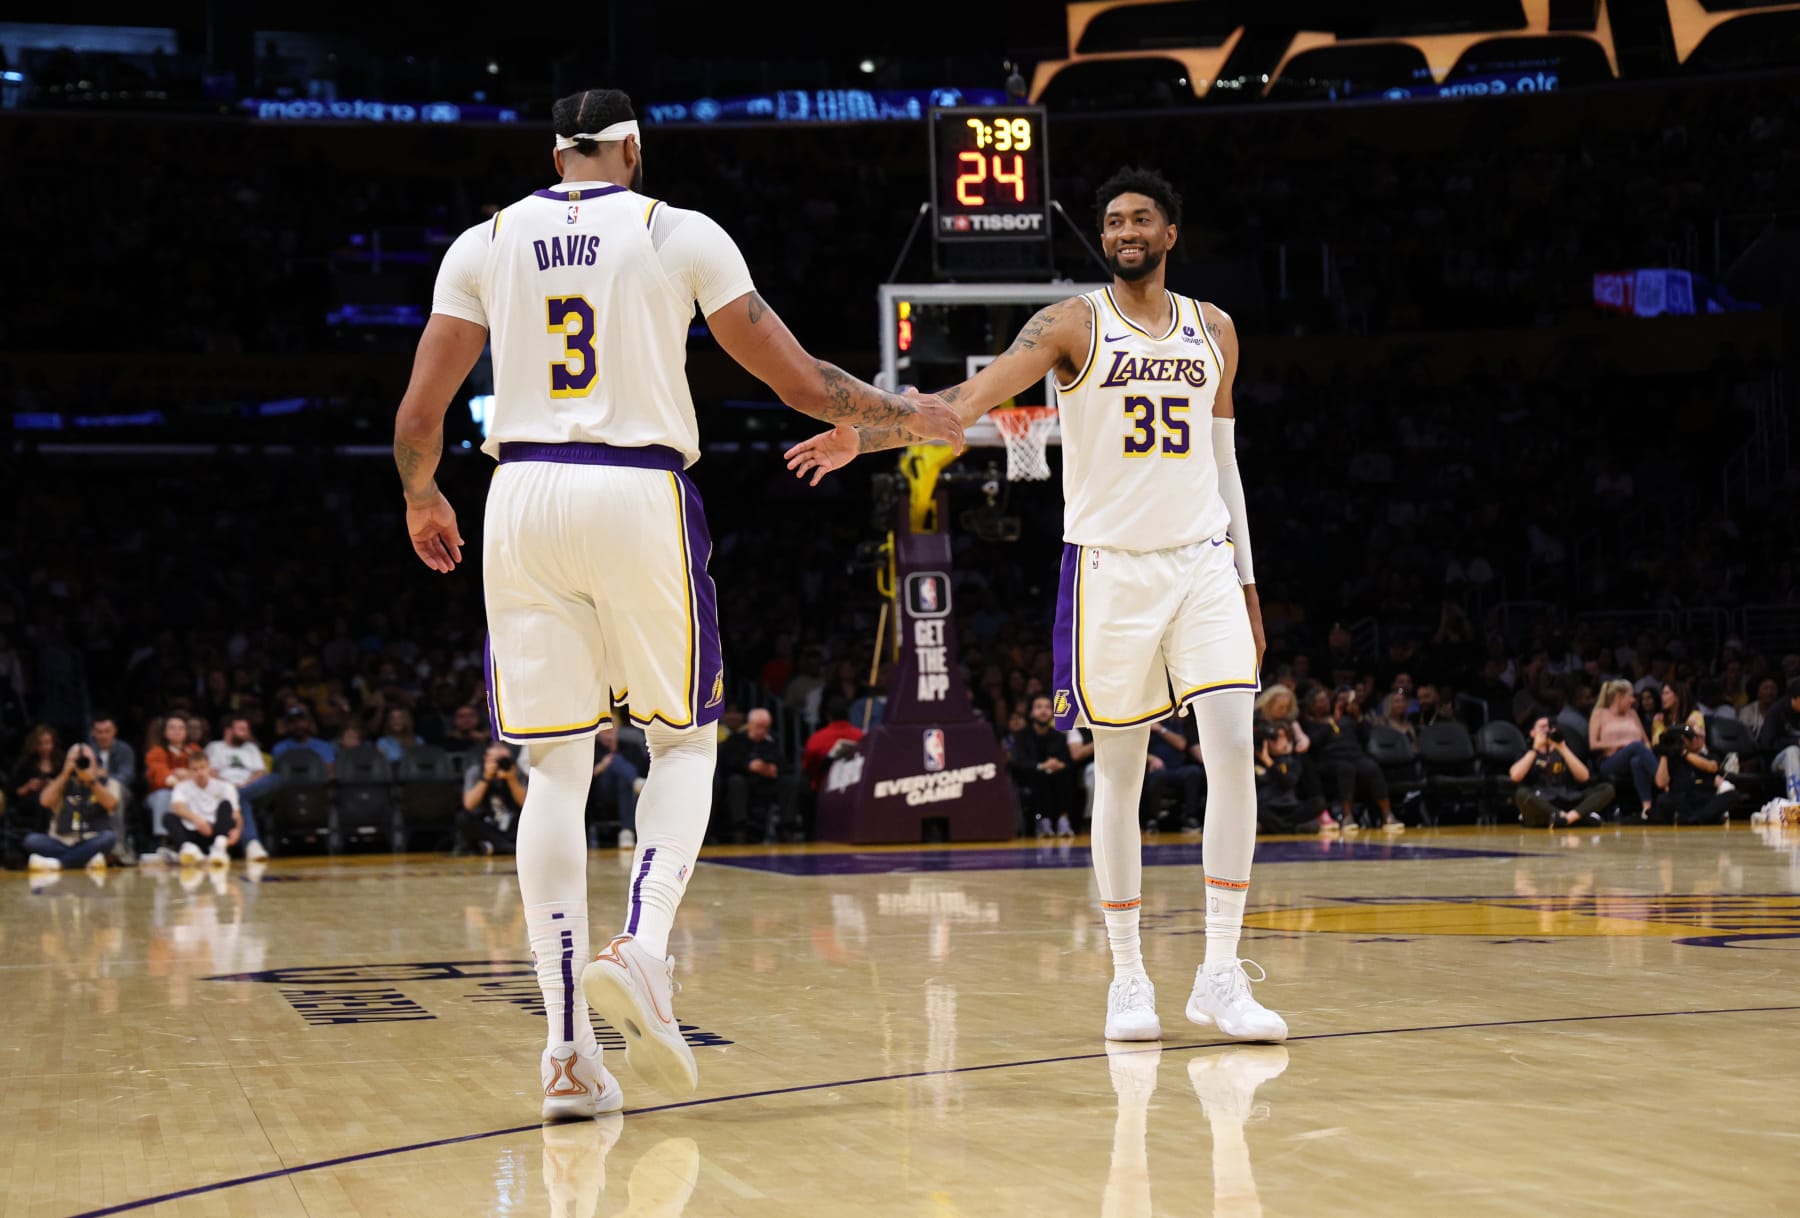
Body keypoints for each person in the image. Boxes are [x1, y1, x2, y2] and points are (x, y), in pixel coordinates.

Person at [391, 86, 964, 1120]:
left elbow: (419, 412)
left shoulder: (481, 242)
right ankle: (644, 947)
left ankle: (567, 1051)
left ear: (554, 152)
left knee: (555, 768)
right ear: (633, 150)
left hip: (516, 494)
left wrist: (422, 492)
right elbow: (798, 383)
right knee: (685, 740)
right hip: (634, 488)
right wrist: (904, 419)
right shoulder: (678, 231)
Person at [786, 166, 1284, 1044]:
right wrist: (865, 436)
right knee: (1120, 772)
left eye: (1141, 219)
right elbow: (965, 404)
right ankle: (1129, 977)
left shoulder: (1217, 330)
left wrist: (1247, 583)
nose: (1126, 230)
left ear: (1171, 233)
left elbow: (1227, 465)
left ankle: (1218, 974)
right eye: (1114, 220)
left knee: (1234, 752)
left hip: (1203, 560)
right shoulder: (1069, 324)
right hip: (1111, 570)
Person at [27, 743, 120, 872]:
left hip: (91, 839)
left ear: (95, 761)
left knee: (109, 838)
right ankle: (84, 859)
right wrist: (65, 773)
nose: (81, 764)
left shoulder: (108, 782)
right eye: (76, 760)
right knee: (32, 840)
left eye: (86, 760)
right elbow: (44, 802)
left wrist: (91, 781)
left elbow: (111, 804)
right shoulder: (61, 782)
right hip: (61, 841)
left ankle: (59, 863)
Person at [1510, 717, 1615, 827]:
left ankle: (1568, 818)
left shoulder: (1563, 750)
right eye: (1542, 727)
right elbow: (1515, 776)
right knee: (1521, 794)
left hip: (1568, 798)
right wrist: (1535, 750)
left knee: (1607, 788)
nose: (1547, 730)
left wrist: (1562, 748)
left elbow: (1584, 777)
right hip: (1543, 801)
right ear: (1532, 733)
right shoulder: (1527, 752)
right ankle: (1577, 819)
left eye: (1550, 727)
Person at [1007, 693, 1077, 837]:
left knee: (1064, 774)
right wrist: (1041, 766)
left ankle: (1063, 820)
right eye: (1039, 707)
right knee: (1040, 775)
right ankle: (1043, 821)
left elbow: (1069, 761)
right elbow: (1018, 762)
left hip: (1056, 777)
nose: (1043, 711)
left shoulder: (1058, 736)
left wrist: (1059, 765)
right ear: (1032, 713)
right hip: (1031, 778)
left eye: (1047, 707)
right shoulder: (1021, 736)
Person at [1589, 678, 1656, 818]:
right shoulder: (1600, 713)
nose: (1633, 700)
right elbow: (1593, 744)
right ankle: (1662, 779)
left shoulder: (1632, 714)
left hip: (1634, 757)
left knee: (1637, 762)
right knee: (1635, 746)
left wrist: (1647, 753)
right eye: (1630, 696)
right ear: (1619, 697)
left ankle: (1646, 808)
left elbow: (1646, 742)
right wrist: (1620, 745)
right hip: (1610, 761)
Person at [167, 752, 244, 866]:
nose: (200, 773)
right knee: (168, 817)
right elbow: (177, 807)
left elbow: (236, 813)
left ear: (209, 767)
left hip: (217, 830)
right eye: (195, 769)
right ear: (189, 771)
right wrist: (197, 819)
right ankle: (190, 849)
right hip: (195, 830)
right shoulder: (181, 787)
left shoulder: (225, 786)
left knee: (226, 804)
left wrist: (238, 830)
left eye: (203, 768)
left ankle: (219, 847)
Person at [1652, 724, 1732, 825]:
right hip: (1682, 801)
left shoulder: (1710, 754)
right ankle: (1699, 818)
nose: (1693, 740)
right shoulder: (1673, 759)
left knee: (1732, 795)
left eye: (1695, 737)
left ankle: (1696, 818)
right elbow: (1660, 783)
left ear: (1703, 739)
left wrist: (1684, 753)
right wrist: (1664, 754)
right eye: (1686, 738)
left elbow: (1711, 767)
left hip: (1704, 800)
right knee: (1662, 799)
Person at [462, 741, 528, 856]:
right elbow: (469, 805)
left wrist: (512, 779)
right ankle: (507, 847)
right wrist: (486, 778)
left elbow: (525, 805)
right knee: (463, 818)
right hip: (488, 823)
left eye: (503, 761)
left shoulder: (516, 772)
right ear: (486, 758)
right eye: (495, 761)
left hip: (512, 823)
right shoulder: (476, 771)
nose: (499, 764)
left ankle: (497, 847)